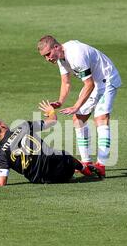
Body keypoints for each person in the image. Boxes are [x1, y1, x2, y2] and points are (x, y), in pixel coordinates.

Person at [37, 35, 122, 178]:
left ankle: (101, 165)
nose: (48, 59)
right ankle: (86, 162)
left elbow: (89, 84)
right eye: (44, 56)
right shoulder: (61, 58)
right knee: (78, 120)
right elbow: (66, 82)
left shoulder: (76, 55)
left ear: (56, 47)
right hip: (95, 82)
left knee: (100, 118)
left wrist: (76, 106)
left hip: (107, 80)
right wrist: (60, 101)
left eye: (48, 54)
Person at [0, 101, 101, 186]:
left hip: (44, 180)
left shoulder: (1, 154)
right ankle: (86, 169)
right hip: (63, 168)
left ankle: (80, 170)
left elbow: (0, 182)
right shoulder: (22, 127)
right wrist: (51, 112)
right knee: (63, 155)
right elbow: (52, 121)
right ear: (1, 125)